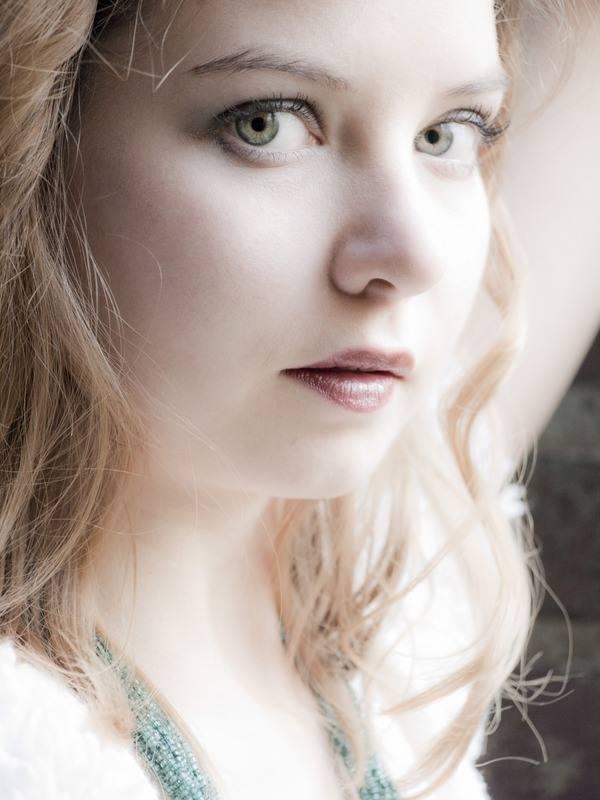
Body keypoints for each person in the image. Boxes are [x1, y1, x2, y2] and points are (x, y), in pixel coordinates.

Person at [0, 1, 597, 799]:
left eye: (446, 134)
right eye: (267, 124)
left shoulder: (401, 586)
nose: (412, 255)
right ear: (34, 134)